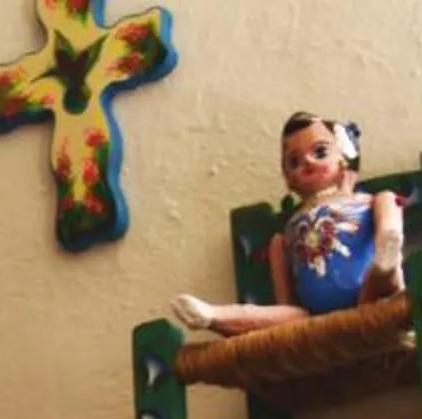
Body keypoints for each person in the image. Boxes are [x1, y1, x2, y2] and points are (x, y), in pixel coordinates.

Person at [172, 114, 405, 338]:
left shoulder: (367, 202)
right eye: (294, 161)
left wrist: (386, 238)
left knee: (386, 211)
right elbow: (286, 302)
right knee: (275, 317)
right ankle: (211, 316)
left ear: (344, 159)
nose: (307, 161)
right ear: (288, 179)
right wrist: (285, 322)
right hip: (310, 320)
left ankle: (387, 259)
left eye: (320, 152)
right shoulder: (286, 234)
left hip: (367, 299)